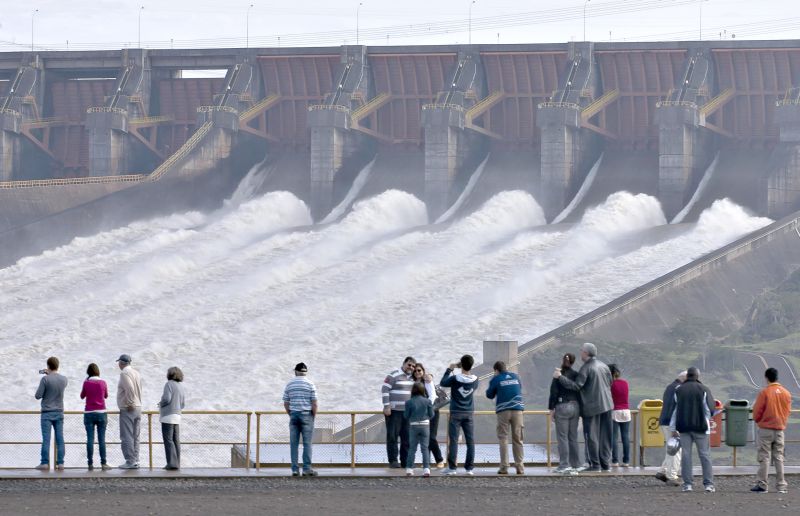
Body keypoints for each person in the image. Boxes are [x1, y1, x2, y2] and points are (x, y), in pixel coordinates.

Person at [553, 342, 613, 472]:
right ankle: (605, 464)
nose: (580, 353)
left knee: (591, 436)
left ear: (586, 353)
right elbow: (610, 383)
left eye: (581, 351)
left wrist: (560, 377)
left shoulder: (586, 368)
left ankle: (595, 465)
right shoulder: (604, 366)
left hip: (592, 407)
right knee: (605, 436)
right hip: (608, 405)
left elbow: (576, 386)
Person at [669, 367, 716, 493]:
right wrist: (706, 420)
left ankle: (687, 484)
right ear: (697, 376)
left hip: (684, 427)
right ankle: (708, 484)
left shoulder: (679, 390)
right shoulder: (704, 389)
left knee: (686, 455)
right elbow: (709, 409)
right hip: (701, 427)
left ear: (687, 376)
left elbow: (675, 411)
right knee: (705, 455)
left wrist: (673, 428)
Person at [751, 367, 792, 494]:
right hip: (780, 430)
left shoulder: (765, 392)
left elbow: (757, 411)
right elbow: (787, 411)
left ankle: (762, 485)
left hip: (765, 430)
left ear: (766, 378)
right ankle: (781, 486)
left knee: (764, 456)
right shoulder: (786, 393)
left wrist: (758, 420)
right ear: (777, 377)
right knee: (779, 457)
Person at [441, 354, 478, 476]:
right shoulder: (475, 380)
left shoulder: (455, 379)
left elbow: (443, 382)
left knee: (454, 440)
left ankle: (452, 468)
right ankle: (469, 468)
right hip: (469, 413)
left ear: (461, 364)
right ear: (472, 365)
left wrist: (450, 369)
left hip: (456, 412)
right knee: (470, 441)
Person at [486, 361, 525, 475]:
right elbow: (519, 388)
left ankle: (504, 467)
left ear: (496, 370)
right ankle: (520, 467)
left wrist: (495, 382)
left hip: (503, 411)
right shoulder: (516, 377)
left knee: (503, 438)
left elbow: (489, 395)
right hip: (518, 410)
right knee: (518, 439)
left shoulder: (496, 378)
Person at [283, 362, 318, 477]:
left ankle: (295, 469)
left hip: (294, 415)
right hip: (307, 414)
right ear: (305, 372)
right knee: (307, 444)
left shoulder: (290, 384)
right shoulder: (310, 384)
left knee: (294, 444)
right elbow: (314, 403)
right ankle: (307, 469)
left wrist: (291, 414)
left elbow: (286, 403)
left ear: (296, 372)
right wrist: (313, 416)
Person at [548, 353, 581, 474]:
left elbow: (553, 392)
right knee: (573, 437)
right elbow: (579, 390)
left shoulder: (557, 375)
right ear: (573, 362)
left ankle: (564, 465)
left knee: (563, 438)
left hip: (562, 406)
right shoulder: (576, 374)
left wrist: (551, 410)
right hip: (575, 406)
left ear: (563, 361)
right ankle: (576, 465)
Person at [34, 356, 68, 471]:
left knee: (46, 439)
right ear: (57, 366)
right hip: (59, 412)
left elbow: (38, 395)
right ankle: (61, 463)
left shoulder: (45, 379)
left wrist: (47, 376)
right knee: (60, 439)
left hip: (47, 413)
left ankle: (44, 463)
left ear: (48, 366)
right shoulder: (64, 379)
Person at [382, 356, 416, 468]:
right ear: (404, 363)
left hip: (407, 412)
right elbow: (385, 389)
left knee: (407, 438)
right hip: (394, 412)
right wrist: (386, 406)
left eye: (413, 366)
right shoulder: (394, 374)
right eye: (409, 365)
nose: (411, 367)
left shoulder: (413, 377)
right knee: (392, 436)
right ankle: (393, 461)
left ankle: (405, 461)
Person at [655, 370, 686, 486]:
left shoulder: (670, 387)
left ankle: (662, 471)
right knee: (676, 450)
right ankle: (672, 476)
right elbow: (679, 408)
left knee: (671, 448)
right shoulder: (680, 389)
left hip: (664, 420)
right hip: (673, 423)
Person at [412, 363, 445, 468]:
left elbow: (433, 396)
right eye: (415, 371)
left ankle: (439, 460)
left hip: (431, 411)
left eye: (419, 370)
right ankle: (427, 462)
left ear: (423, 371)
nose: (417, 372)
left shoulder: (427, 380)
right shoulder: (413, 383)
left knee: (431, 437)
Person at [80, 363, 110, 471]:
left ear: (88, 372)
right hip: (101, 413)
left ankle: (90, 464)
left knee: (90, 439)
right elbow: (106, 396)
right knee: (102, 439)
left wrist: (86, 382)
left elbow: (82, 396)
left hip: (89, 413)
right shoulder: (103, 382)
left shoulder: (86, 383)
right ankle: (104, 463)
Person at [116, 354, 143, 469]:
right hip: (138, 406)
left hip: (129, 408)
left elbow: (130, 388)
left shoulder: (124, 373)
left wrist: (130, 402)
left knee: (126, 435)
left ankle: (130, 461)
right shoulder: (136, 373)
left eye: (119, 362)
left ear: (121, 363)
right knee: (135, 436)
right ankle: (136, 459)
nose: (118, 364)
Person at [404, 382, 434, 477]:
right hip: (425, 426)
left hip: (414, 426)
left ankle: (409, 469)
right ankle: (426, 469)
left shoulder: (409, 402)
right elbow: (432, 415)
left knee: (412, 448)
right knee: (425, 448)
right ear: (423, 390)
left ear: (413, 390)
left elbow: (406, 415)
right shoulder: (427, 401)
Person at [158, 366, 186, 470]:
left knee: (168, 440)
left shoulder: (169, 384)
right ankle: (177, 463)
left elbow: (167, 398)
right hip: (177, 415)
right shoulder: (180, 386)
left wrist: (160, 403)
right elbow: (183, 404)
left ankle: (171, 464)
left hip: (168, 416)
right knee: (176, 440)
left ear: (170, 374)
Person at [609, 364, 631, 467]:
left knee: (614, 437)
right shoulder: (625, 383)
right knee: (625, 437)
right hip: (626, 411)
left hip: (616, 411)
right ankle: (626, 461)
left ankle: (615, 461)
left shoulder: (611, 384)